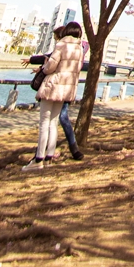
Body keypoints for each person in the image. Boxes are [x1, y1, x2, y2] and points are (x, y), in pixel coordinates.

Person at [23, 22, 84, 171]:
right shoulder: (80, 49)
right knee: (54, 123)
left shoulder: (61, 45)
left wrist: (44, 67)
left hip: (52, 86)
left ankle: (38, 159)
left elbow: (50, 67)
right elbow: (78, 69)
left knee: (44, 122)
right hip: (66, 89)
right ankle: (49, 157)